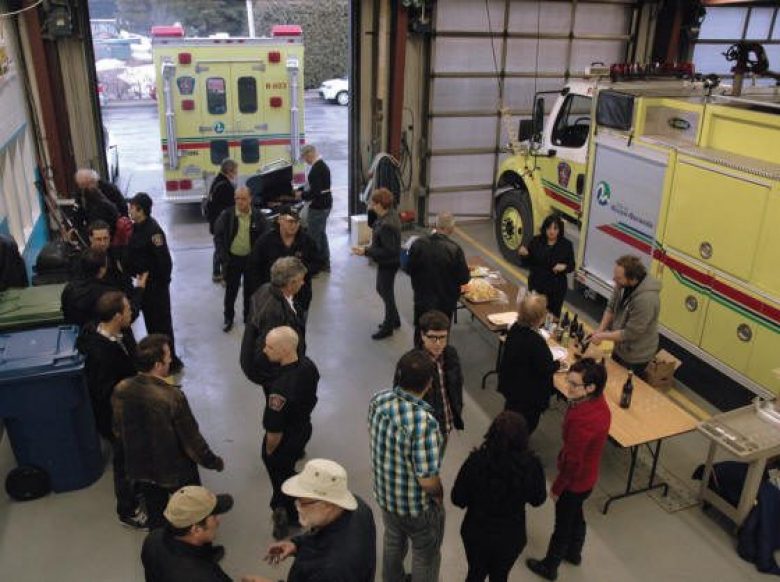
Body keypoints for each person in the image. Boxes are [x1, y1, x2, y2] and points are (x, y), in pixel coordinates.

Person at [112, 334, 224, 529]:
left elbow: (117, 429)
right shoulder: (172, 397)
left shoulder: (122, 389)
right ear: (157, 364)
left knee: (155, 511)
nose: (171, 359)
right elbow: (192, 441)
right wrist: (212, 461)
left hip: (141, 466)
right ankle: (198, 548)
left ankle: (160, 545)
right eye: (168, 356)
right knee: (193, 508)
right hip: (173, 468)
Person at [526, 358, 611, 581]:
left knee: (562, 525)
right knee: (577, 515)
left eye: (574, 384)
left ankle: (550, 566)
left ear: (590, 387)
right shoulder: (598, 404)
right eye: (568, 380)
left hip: (575, 482)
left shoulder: (583, 419)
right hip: (588, 479)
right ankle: (574, 553)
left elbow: (573, 462)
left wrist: (557, 487)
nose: (568, 387)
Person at [368, 349, 444, 582]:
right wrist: (439, 497)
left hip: (386, 496)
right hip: (415, 507)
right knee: (425, 555)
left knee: (393, 540)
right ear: (429, 383)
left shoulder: (378, 400)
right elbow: (427, 479)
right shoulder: (424, 423)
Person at [452, 411, 547, 582]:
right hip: (511, 535)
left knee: (475, 573)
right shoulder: (532, 466)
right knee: (500, 575)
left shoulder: (476, 461)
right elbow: (538, 500)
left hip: (476, 531)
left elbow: (457, 499)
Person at [244, 459, 376, 582]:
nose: (297, 506)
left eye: (303, 502)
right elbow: (321, 533)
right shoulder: (359, 507)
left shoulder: (330, 571)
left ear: (328, 505)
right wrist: (296, 544)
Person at [75, 291, 143, 528]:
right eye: (127, 310)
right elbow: (106, 393)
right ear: (116, 316)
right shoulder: (102, 354)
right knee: (123, 463)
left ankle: (138, 489)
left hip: (127, 411)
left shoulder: (109, 333)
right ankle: (128, 510)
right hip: (117, 418)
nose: (131, 312)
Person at [261, 326, 320, 540]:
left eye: (270, 346)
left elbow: (274, 432)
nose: (264, 350)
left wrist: (268, 452)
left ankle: (287, 512)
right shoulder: (308, 366)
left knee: (281, 477)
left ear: (285, 349)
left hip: (285, 440)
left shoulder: (280, 390)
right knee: (287, 473)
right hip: (303, 429)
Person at [126, 192, 183, 373]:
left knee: (162, 325)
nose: (129, 211)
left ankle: (170, 361)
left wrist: (160, 284)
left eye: (132, 208)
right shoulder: (137, 227)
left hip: (156, 288)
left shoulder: (153, 232)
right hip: (144, 286)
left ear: (140, 210)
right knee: (151, 324)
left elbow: (164, 261)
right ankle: (157, 358)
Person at [141, 485, 234, 582]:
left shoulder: (153, 538)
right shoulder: (204, 576)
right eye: (214, 517)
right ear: (196, 530)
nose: (218, 521)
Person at [589, 254, 661, 378]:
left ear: (632, 279)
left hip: (635, 356)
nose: (614, 280)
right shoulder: (621, 285)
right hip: (620, 347)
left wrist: (602, 336)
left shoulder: (646, 300)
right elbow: (611, 307)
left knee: (624, 384)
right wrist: (600, 330)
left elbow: (630, 333)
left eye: (618, 278)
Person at [240, 257, 307, 390]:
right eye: (300, 280)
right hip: (274, 376)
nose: (303, 283)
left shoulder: (265, 289)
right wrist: (280, 379)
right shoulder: (275, 314)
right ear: (291, 283)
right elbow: (265, 353)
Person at [498, 291, 559, 434]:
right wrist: (558, 364)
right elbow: (546, 368)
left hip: (512, 389)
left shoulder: (514, 329)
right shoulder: (536, 342)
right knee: (525, 426)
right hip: (529, 396)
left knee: (510, 419)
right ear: (538, 318)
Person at [247, 206, 321, 320]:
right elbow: (253, 268)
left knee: (297, 334)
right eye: (290, 221)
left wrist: (301, 271)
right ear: (280, 220)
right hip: (271, 300)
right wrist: (259, 293)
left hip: (300, 299)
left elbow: (317, 263)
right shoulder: (265, 242)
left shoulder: (307, 242)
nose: (294, 225)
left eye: (297, 222)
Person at [213, 186, 269, 332]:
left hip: (251, 261)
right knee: (231, 291)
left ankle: (248, 317)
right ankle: (228, 317)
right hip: (233, 260)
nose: (240, 202)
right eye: (237, 198)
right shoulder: (227, 215)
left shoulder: (258, 216)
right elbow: (218, 237)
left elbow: (266, 238)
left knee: (250, 291)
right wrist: (224, 257)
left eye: (243, 198)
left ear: (250, 199)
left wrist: (260, 259)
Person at [352, 188, 401, 340]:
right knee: (384, 290)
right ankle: (395, 319)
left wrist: (365, 251)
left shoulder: (387, 225)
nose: (371, 206)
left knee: (385, 291)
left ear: (380, 204)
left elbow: (389, 251)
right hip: (388, 262)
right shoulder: (389, 214)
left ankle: (388, 327)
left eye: (373, 203)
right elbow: (373, 224)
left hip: (389, 263)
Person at [407, 212, 470, 331]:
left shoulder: (418, 244)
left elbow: (407, 268)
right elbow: (464, 279)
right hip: (444, 304)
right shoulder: (455, 250)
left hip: (422, 300)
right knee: (440, 335)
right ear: (451, 229)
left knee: (421, 331)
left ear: (435, 225)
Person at [415, 310, 465, 448]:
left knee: (437, 462)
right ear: (422, 336)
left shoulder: (451, 354)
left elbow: (457, 385)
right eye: (433, 338)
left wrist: (458, 409)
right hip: (425, 431)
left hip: (446, 425)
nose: (438, 344)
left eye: (443, 337)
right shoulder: (412, 364)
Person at [61, 248, 147, 327]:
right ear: (102, 269)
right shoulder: (108, 294)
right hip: (100, 337)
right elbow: (129, 315)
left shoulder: (69, 288)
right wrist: (139, 289)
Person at [518, 214, 575, 319]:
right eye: (549, 227)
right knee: (535, 314)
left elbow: (572, 265)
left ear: (560, 230)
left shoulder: (566, 245)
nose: (552, 231)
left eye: (555, 228)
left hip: (556, 289)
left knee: (551, 318)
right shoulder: (536, 241)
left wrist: (564, 267)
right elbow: (527, 263)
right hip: (537, 285)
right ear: (544, 228)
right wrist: (524, 255)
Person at [297, 144, 332, 271]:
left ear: (310, 154)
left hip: (318, 206)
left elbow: (314, 193)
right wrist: (303, 190)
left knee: (313, 238)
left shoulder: (316, 170)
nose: (305, 160)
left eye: (304, 157)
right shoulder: (322, 166)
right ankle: (325, 262)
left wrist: (301, 194)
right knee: (321, 234)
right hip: (326, 204)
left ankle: (315, 266)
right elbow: (317, 188)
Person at [206, 159, 239, 282]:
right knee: (224, 248)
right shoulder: (225, 185)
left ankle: (216, 273)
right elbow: (231, 206)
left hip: (215, 221)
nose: (236, 173)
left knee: (219, 246)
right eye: (235, 170)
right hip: (221, 223)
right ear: (229, 171)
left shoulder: (218, 181)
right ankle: (226, 277)